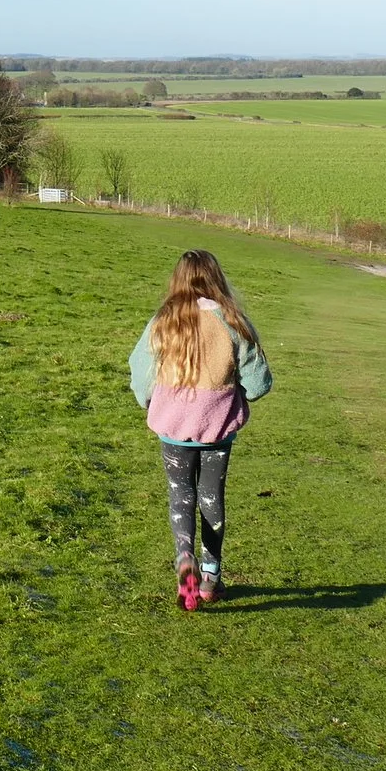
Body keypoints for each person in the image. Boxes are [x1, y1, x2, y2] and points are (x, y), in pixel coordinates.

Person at [129, 249, 272, 610]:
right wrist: (237, 392)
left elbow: (140, 371)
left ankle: (184, 560)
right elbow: (258, 383)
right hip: (218, 427)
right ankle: (210, 576)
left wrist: (150, 401)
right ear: (216, 278)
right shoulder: (233, 320)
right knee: (212, 495)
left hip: (173, 426)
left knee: (180, 494)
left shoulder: (163, 320)